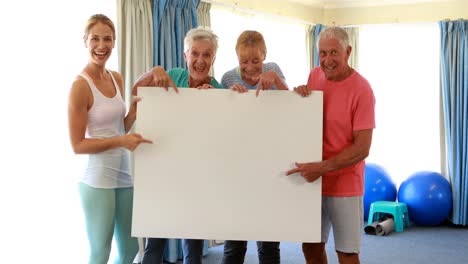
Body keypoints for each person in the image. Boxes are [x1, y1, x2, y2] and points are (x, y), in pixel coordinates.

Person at [132, 27, 223, 264]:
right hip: (165, 176)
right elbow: (136, 92)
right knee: (155, 245)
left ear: (214, 58)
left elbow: (223, 141)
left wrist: (214, 102)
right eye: (195, 54)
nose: (200, 61)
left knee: (192, 250)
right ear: (186, 56)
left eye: (206, 55)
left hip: (198, 180)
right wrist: (154, 71)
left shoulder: (220, 91)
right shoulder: (173, 75)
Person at [286, 26, 376, 264]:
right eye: (322, 53)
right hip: (313, 181)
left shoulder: (362, 90)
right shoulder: (314, 76)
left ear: (347, 51)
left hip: (345, 183)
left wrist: (322, 168)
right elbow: (307, 120)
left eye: (333, 53)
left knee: (346, 253)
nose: (327, 60)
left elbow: (362, 147)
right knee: (311, 246)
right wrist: (299, 95)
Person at [68, 14, 152, 264]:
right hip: (96, 178)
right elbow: (77, 145)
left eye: (107, 39)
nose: (101, 45)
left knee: (129, 250)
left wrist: (133, 114)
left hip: (122, 173)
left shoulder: (116, 77)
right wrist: (119, 142)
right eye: (95, 39)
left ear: (114, 42)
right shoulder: (80, 86)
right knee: (100, 253)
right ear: (85, 41)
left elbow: (119, 129)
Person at [220, 30, 288, 264]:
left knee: (268, 243)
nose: (250, 67)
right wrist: (228, 97)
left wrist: (275, 80)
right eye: (244, 61)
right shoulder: (228, 77)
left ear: (265, 55)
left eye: (256, 61)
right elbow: (219, 117)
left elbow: (292, 108)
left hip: (268, 163)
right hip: (237, 166)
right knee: (234, 243)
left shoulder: (274, 69)